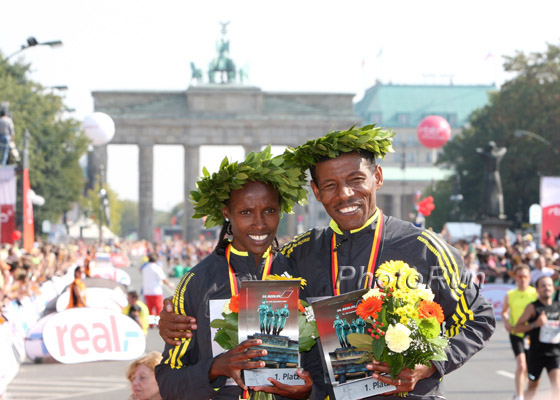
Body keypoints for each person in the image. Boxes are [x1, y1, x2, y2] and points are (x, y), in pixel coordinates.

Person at [159, 125, 496, 399]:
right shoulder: (300, 253)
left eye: (356, 180)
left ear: (377, 177)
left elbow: (479, 316)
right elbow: (247, 280)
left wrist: (430, 365)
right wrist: (174, 319)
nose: (345, 194)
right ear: (317, 193)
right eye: (331, 185)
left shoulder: (424, 247)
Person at [155, 148, 312, 399]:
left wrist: (309, 391)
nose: (259, 223)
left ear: (281, 210)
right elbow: (168, 383)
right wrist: (216, 367)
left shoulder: (300, 274)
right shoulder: (196, 282)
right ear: (226, 213)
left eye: (269, 210)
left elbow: (322, 372)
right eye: (246, 212)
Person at [513, 276, 560, 400]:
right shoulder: (533, 307)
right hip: (536, 354)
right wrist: (535, 324)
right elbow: (516, 328)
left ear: (553, 288)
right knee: (533, 387)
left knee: (557, 387)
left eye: (549, 285)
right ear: (538, 289)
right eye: (543, 286)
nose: (547, 288)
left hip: (555, 353)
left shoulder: (558, 306)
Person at [501, 265, 538, 400]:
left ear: (529, 278)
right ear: (515, 277)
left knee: (528, 368)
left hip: (531, 334)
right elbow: (504, 312)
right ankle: (519, 395)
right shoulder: (510, 294)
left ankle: (520, 390)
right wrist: (506, 322)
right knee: (521, 364)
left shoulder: (534, 293)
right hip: (516, 333)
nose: (522, 279)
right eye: (520, 276)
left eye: (525, 276)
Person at [140, 253, 174, 320]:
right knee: (158, 308)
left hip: (147, 291)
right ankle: (158, 323)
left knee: (150, 309)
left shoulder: (145, 268)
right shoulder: (157, 268)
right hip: (156, 291)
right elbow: (163, 279)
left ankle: (151, 324)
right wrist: (170, 284)